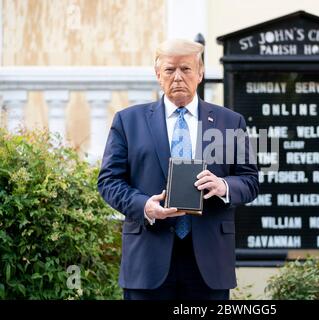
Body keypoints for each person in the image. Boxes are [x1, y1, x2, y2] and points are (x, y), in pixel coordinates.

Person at [97, 38, 259, 300]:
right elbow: (108, 181)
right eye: (170, 70)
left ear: (200, 73)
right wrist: (143, 206)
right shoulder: (128, 121)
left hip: (209, 262)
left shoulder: (230, 121)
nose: (178, 77)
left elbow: (250, 180)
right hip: (148, 260)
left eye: (186, 69)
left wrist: (224, 186)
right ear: (158, 74)